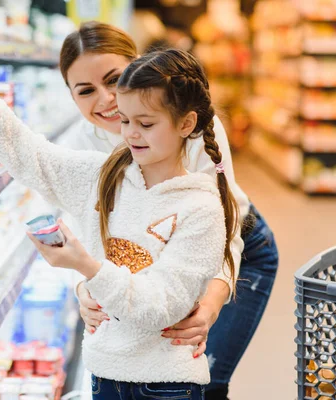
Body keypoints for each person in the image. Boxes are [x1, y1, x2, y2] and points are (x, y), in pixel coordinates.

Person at [0, 48, 239, 399]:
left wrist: (88, 268)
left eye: (146, 123)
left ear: (186, 124)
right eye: (124, 120)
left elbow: (159, 307)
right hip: (104, 373)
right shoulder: (104, 176)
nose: (131, 134)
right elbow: (32, 156)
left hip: (165, 384)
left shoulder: (201, 208)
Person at [57, 22, 279, 400]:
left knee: (202, 375)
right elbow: (77, 231)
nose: (107, 98)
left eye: (114, 79)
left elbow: (223, 229)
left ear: (137, 67)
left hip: (234, 250)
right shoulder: (80, 143)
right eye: (85, 91)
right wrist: (83, 289)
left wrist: (209, 305)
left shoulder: (187, 122)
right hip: (152, 258)